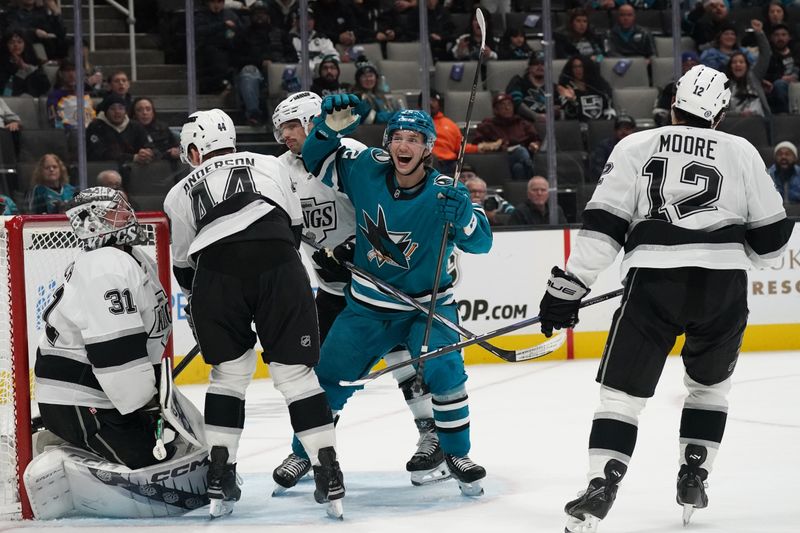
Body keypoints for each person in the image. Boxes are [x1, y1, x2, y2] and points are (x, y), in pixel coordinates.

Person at [536, 65, 793, 533]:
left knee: (621, 397)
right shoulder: (742, 152)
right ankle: (694, 473)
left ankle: (602, 484)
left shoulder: (635, 145)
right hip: (723, 290)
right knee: (709, 388)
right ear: (720, 113)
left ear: (672, 105)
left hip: (653, 284)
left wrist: (568, 287)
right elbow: (773, 241)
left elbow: (604, 226)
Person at [299, 98, 493, 496]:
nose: (404, 146)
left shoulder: (445, 193)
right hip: (369, 306)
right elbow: (314, 159)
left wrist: (467, 217)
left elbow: (482, 243)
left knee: (445, 374)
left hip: (429, 306)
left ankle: (456, 452)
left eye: (414, 139)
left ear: (428, 148)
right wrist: (327, 129)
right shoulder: (367, 168)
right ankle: (306, 452)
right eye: (397, 138)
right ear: (388, 143)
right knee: (330, 375)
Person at [163, 108, 344, 518]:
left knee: (228, 377)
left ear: (195, 149)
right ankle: (328, 471)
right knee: (296, 376)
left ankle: (219, 475)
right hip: (277, 262)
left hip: (216, 274)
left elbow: (183, 266)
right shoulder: (270, 164)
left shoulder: (178, 192)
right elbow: (294, 230)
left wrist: (200, 300)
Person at [270, 91, 449, 491]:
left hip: (380, 279)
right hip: (331, 285)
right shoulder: (277, 170)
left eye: (293, 126)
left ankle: (433, 434)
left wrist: (357, 247)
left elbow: (389, 205)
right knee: (324, 375)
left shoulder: (350, 153)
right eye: (281, 128)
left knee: (405, 358)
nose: (285, 135)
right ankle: (309, 450)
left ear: (314, 121)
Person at [33, 186, 174, 469]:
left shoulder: (128, 256)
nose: (127, 215)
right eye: (115, 212)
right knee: (158, 464)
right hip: (81, 399)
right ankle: (58, 447)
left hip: (104, 393)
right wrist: (144, 402)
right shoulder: (105, 265)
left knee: (180, 444)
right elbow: (115, 350)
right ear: (92, 222)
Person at [235, 0, 297, 125]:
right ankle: (254, 114)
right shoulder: (244, 35)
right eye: (256, 13)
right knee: (248, 72)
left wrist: (276, 64)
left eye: (262, 13)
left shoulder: (281, 34)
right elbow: (236, 59)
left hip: (279, 72)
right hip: (256, 72)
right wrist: (260, 62)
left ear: (268, 15)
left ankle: (289, 118)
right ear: (251, 16)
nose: (259, 16)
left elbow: (293, 57)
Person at [473, 93, 541, 180]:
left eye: (509, 104)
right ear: (495, 110)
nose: (507, 108)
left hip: (520, 158)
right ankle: (534, 177)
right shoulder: (487, 126)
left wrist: (534, 145)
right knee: (521, 151)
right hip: (499, 158)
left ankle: (520, 190)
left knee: (518, 168)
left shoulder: (522, 123)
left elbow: (535, 139)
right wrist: (495, 146)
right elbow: (478, 145)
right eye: (502, 105)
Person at [419, 89, 480, 176]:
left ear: (439, 104)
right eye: (426, 101)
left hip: (450, 164)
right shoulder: (415, 124)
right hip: (426, 163)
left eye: (433, 100)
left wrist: (480, 148)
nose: (430, 103)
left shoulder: (450, 124)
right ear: (419, 104)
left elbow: (460, 147)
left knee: (468, 174)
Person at [86, 94, 155, 164]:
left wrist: (148, 153)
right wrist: (133, 158)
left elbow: (150, 146)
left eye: (121, 108)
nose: (117, 112)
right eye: (113, 108)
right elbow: (99, 153)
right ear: (106, 112)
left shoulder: (136, 126)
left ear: (125, 111)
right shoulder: (96, 126)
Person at [195, 0, 242, 94]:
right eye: (213, 2)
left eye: (219, 2)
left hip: (228, 48)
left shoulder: (230, 15)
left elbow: (240, 31)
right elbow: (200, 31)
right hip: (207, 49)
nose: (216, 5)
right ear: (208, 3)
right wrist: (222, 25)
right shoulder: (201, 15)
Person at [506, 53, 562, 122]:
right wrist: (536, 116)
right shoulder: (518, 82)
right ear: (529, 67)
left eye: (543, 63)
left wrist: (556, 111)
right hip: (523, 124)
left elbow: (560, 106)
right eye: (535, 63)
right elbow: (515, 102)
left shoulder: (553, 87)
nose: (540, 66)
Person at [558, 55, 616, 121]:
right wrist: (573, 102)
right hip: (576, 127)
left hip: (600, 125)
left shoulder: (600, 86)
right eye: (574, 67)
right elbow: (568, 115)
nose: (578, 70)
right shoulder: (566, 88)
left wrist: (606, 124)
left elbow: (609, 109)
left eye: (580, 66)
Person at [46, 61, 96, 130]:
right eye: (68, 71)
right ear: (61, 74)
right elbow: (53, 120)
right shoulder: (54, 96)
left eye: (74, 70)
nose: (71, 75)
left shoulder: (84, 95)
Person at [653, 51, 699, 127]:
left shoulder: (705, 87)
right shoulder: (671, 86)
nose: (690, 68)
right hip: (674, 124)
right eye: (686, 65)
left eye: (693, 64)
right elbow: (660, 111)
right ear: (681, 67)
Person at [0, 28, 50, 97]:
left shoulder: (32, 61)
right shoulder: (2, 64)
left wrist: (28, 69)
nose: (16, 45)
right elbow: (5, 88)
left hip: (30, 100)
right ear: (6, 45)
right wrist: (20, 72)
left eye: (19, 42)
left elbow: (45, 86)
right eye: (11, 42)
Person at [352, 57, 403, 125]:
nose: (368, 79)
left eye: (371, 76)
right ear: (358, 80)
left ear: (376, 78)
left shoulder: (380, 95)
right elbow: (370, 119)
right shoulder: (357, 97)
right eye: (364, 76)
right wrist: (397, 115)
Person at [700, 20, 765, 71]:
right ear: (719, 37)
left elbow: (754, 69)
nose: (730, 36)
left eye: (732, 34)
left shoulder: (745, 52)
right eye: (726, 34)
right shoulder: (709, 54)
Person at [763, 23, 800, 114]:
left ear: (789, 37)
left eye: (783, 35)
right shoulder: (768, 55)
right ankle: (785, 116)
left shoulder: (796, 52)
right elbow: (765, 74)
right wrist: (781, 77)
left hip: (797, 82)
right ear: (771, 38)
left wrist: (796, 76)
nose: (780, 38)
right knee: (779, 84)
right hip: (778, 85)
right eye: (777, 35)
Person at [588, 114, 636, 182]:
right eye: (620, 129)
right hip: (611, 182)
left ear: (633, 130)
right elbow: (598, 169)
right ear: (615, 131)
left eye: (627, 129)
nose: (624, 131)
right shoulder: (604, 146)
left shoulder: (639, 146)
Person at [130, 97, 180, 162]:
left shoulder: (162, 127)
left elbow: (176, 146)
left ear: (153, 112)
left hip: (165, 164)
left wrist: (176, 151)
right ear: (134, 114)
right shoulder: (129, 130)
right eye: (140, 110)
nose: (145, 113)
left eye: (148, 109)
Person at [724, 50, 771, 118]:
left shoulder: (755, 78)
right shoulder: (725, 87)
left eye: (741, 62)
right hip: (736, 123)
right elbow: (722, 114)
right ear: (730, 66)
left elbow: (765, 52)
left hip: (759, 122)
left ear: (747, 65)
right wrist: (739, 114)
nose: (738, 64)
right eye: (734, 62)